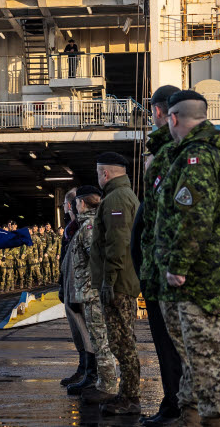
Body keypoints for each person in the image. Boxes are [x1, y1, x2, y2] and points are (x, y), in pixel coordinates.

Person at [158, 90, 220, 427]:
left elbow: (194, 219)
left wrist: (177, 267)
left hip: (201, 283)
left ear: (173, 118)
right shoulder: (211, 154)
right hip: (208, 280)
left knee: (209, 364)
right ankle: (192, 419)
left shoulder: (197, 158)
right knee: (198, 361)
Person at [135, 84, 185, 427]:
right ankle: (175, 403)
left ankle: (177, 406)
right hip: (158, 271)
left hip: (166, 273)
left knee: (172, 346)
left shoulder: (173, 155)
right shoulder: (172, 153)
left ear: (159, 112)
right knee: (170, 345)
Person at [90, 151, 142, 415]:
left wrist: (108, 282)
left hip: (119, 284)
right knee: (122, 341)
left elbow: (117, 243)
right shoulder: (123, 195)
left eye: (99, 172)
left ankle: (131, 397)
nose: (98, 177)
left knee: (123, 343)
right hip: (121, 281)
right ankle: (127, 394)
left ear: (105, 173)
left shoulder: (116, 198)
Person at [68, 186, 122, 403]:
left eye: (76, 203)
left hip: (93, 294)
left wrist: (99, 287)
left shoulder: (89, 226)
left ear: (81, 203)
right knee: (97, 339)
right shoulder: (88, 224)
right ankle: (102, 382)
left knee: (100, 341)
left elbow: (98, 259)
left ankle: (108, 386)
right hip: (90, 293)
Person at [58, 188, 92, 389]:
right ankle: (82, 369)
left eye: (64, 203)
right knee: (76, 333)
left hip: (80, 288)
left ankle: (88, 371)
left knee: (85, 332)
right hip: (70, 285)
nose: (63, 207)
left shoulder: (80, 227)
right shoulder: (70, 228)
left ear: (71, 205)